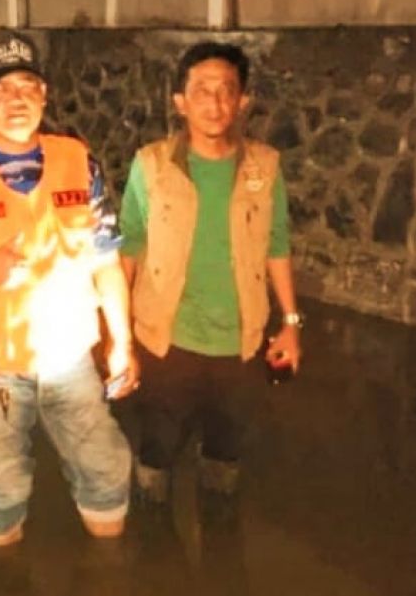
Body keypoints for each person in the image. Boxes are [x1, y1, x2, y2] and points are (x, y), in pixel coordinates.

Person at [0, 28, 138, 546]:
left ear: (44, 95)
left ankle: (111, 572)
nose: (16, 98)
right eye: (1, 88)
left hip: (69, 359)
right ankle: (4, 569)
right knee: (3, 486)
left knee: (106, 472)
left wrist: (122, 343)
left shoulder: (78, 161)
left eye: (27, 86)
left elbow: (105, 260)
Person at [118, 41, 301, 508]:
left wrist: (290, 324)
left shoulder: (265, 167)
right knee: (156, 458)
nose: (215, 103)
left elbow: (277, 244)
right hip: (165, 342)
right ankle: (153, 543)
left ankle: (219, 534)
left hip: (240, 344)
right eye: (202, 90)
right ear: (180, 101)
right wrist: (117, 338)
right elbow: (129, 245)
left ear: (243, 101)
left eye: (226, 91)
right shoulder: (151, 165)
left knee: (224, 459)